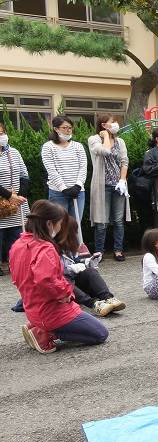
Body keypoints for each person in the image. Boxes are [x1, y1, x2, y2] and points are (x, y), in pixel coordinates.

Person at [10, 200, 108, 353]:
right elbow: (46, 280)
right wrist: (66, 293)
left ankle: (39, 326)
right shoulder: (46, 248)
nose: (60, 227)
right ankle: (45, 332)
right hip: (52, 311)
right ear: (49, 224)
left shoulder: (18, 244)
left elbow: (19, 278)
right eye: (59, 223)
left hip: (33, 307)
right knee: (100, 334)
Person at [56, 214, 124, 317]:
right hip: (62, 289)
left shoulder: (70, 247)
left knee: (91, 271)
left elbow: (79, 263)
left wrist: (89, 261)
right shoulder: (49, 248)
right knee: (63, 279)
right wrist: (70, 269)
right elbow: (52, 276)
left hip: (76, 284)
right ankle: (94, 304)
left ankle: (108, 298)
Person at [86, 114, 131, 261]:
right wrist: (106, 136)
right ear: (104, 125)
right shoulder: (94, 140)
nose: (116, 124)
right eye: (113, 122)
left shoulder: (121, 141)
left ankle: (118, 250)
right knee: (102, 221)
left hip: (118, 186)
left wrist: (123, 180)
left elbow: (124, 161)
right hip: (102, 185)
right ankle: (99, 251)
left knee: (118, 220)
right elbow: (105, 151)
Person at [41, 116, 87, 220]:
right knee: (59, 227)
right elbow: (51, 170)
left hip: (78, 192)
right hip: (58, 193)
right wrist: (63, 188)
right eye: (64, 127)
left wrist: (78, 186)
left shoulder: (78, 146)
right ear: (56, 129)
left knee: (75, 226)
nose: (68, 130)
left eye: (70, 128)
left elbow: (83, 167)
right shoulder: (48, 147)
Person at [0, 121, 29, 276]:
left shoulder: (14, 152)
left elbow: (24, 175)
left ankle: (16, 264)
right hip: (3, 202)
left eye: (2, 133)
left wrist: (21, 196)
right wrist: (9, 195)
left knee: (17, 236)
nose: (2, 136)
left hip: (17, 203)